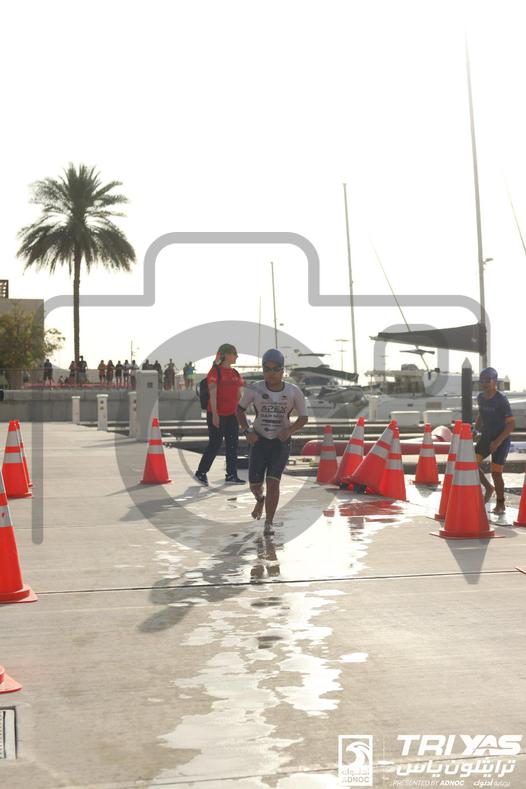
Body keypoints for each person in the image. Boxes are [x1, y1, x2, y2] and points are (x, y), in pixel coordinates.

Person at [237, 349, 308, 535]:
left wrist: (289, 431)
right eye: (267, 369)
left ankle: (268, 522)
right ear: (262, 370)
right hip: (259, 440)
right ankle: (260, 499)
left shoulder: (293, 391)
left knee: (273, 482)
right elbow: (239, 410)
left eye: (276, 369)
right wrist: (247, 431)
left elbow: (303, 418)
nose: (271, 373)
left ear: (283, 370)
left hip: (280, 442)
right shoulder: (255, 388)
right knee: (254, 485)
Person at [195, 344, 244, 486]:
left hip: (232, 415)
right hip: (217, 414)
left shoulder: (235, 373)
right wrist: (215, 415)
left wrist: (241, 414)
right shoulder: (215, 371)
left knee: (233, 444)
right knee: (215, 444)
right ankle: (201, 472)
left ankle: (231, 474)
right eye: (234, 353)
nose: (237, 356)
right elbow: (213, 395)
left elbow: (239, 396)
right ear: (226, 355)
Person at [475, 367, 515, 514]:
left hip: (501, 439)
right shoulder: (480, 397)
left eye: (488, 380)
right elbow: (481, 414)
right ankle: (488, 488)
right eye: (482, 381)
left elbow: (511, 424)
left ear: (494, 382)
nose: (484, 384)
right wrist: (476, 429)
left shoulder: (501, 400)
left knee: (496, 473)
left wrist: (497, 442)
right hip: (486, 437)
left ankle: (500, 503)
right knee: (471, 464)